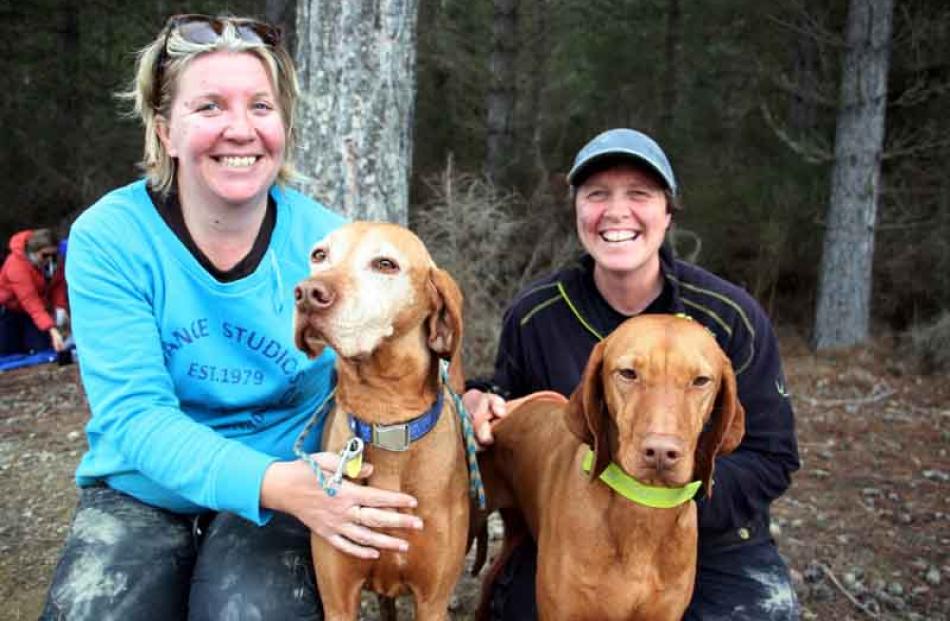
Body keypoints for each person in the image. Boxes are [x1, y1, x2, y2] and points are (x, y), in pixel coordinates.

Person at [41, 15, 422, 620]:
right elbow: (135, 415)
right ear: (165, 130)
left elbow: (389, 357)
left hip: (293, 488)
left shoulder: (328, 243)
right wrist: (275, 483)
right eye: (211, 106)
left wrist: (463, 398)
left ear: (283, 127)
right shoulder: (112, 238)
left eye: (261, 107)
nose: (240, 130)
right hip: (147, 487)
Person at [464, 128, 802, 620]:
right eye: (597, 194)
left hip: (710, 535)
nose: (617, 212)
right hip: (574, 527)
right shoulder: (536, 312)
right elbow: (512, 401)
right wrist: (479, 398)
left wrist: (669, 503)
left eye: (639, 194)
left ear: (668, 213)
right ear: (578, 211)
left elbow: (771, 456)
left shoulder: (731, 316)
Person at [0, 228, 68, 355]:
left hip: (38, 310)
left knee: (42, 348)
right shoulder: (16, 266)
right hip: (10, 309)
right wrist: (52, 329)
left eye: (53, 255)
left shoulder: (55, 263)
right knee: (9, 352)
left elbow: (58, 286)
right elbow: (30, 301)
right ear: (33, 253)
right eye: (45, 255)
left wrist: (60, 308)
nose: (49, 259)